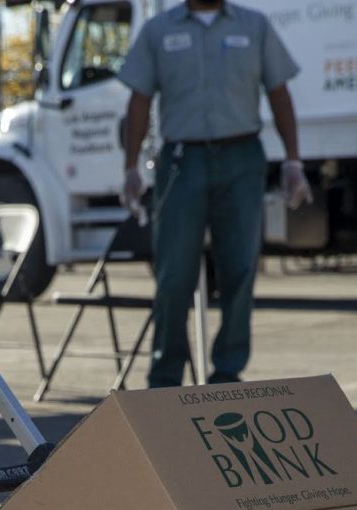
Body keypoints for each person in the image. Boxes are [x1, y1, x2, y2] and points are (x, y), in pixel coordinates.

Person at [117, 0, 311, 389]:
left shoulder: (255, 26)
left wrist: (293, 161)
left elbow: (279, 94)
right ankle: (166, 377)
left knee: (240, 268)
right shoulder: (159, 30)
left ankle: (227, 370)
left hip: (242, 158)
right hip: (182, 160)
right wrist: (131, 167)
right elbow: (138, 101)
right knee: (174, 273)